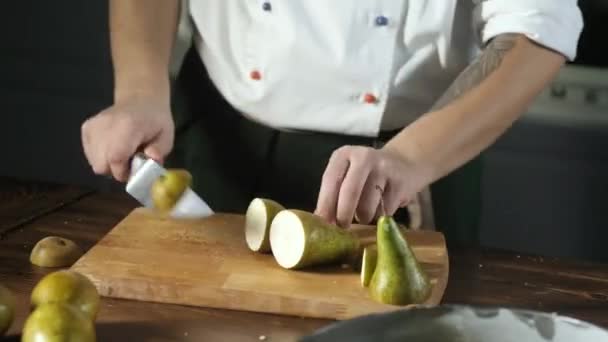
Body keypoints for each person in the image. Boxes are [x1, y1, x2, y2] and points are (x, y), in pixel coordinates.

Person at [81, 1, 583, 247]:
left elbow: (536, 31)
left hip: (408, 163)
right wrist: (139, 91)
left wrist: (410, 158)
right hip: (216, 139)